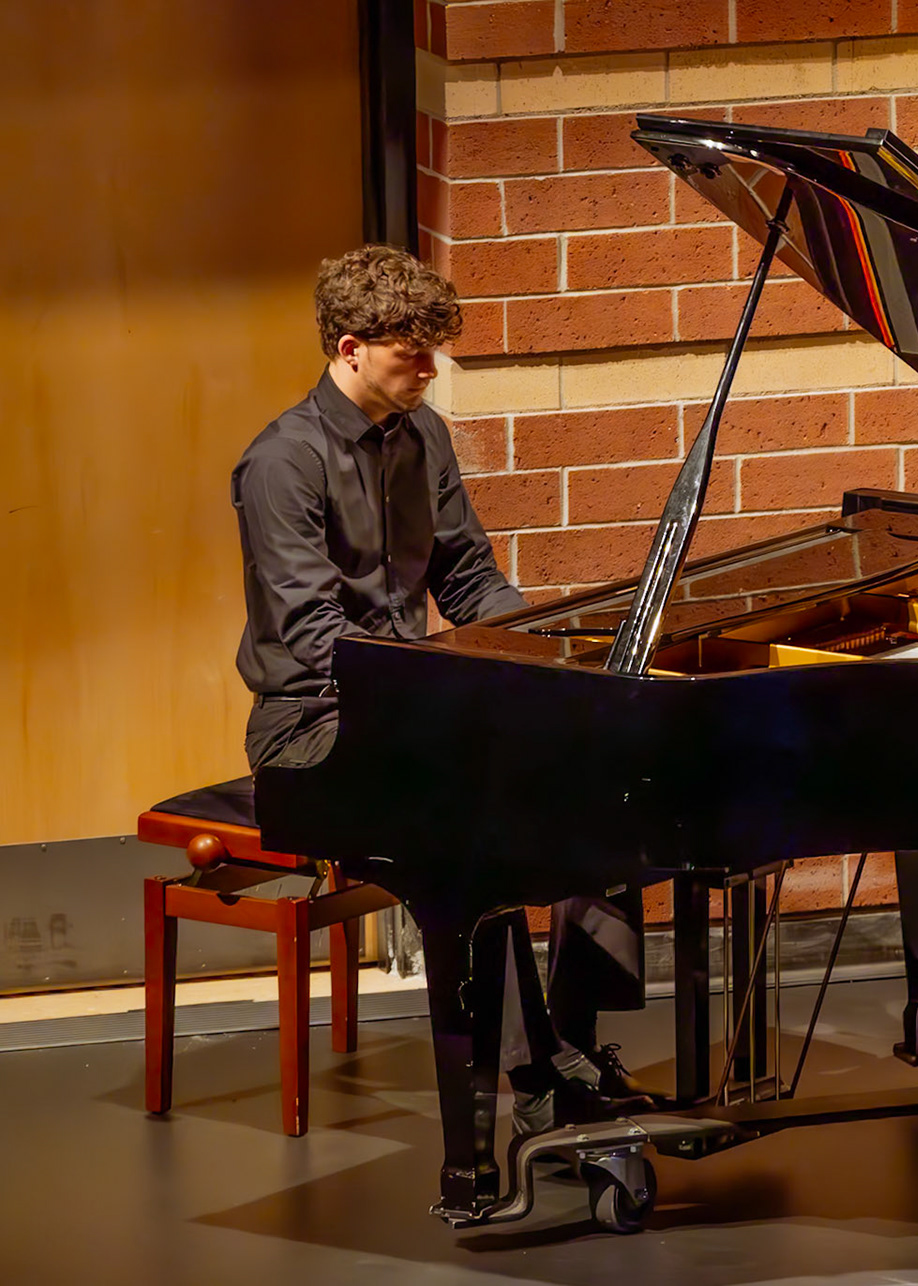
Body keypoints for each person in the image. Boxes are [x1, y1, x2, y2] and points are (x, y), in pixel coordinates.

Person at [231, 244, 650, 1129]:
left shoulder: (424, 434)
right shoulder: (281, 464)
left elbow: (468, 582)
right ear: (348, 348)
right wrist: (446, 693)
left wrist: (550, 654)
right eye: (409, 351)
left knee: (610, 775)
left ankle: (569, 1040)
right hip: (313, 729)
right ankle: (528, 1082)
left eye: (434, 349)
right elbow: (312, 637)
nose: (429, 367)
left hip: (420, 705)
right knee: (479, 819)